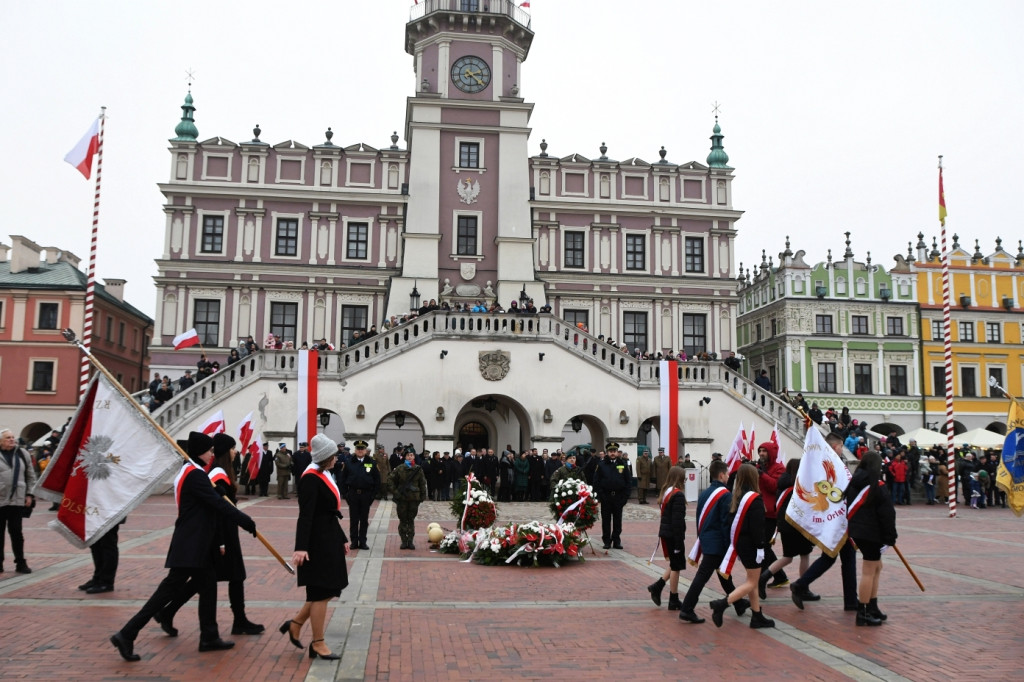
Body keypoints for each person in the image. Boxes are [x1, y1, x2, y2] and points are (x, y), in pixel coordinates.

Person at [110, 431, 257, 662]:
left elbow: (207, 499)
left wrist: (216, 492)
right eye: (209, 450)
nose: (212, 454)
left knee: (208, 588)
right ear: (200, 452)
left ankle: (209, 636)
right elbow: (218, 505)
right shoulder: (195, 475)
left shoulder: (192, 472)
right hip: (192, 545)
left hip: (198, 544)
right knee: (164, 593)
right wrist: (245, 521)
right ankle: (127, 633)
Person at [156, 434, 264, 637]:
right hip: (221, 533)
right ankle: (233, 622)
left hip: (227, 530)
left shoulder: (223, 472)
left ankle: (169, 612)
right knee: (217, 578)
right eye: (232, 448)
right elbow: (216, 507)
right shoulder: (217, 474)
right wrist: (221, 541)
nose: (235, 452)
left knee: (222, 577)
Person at [283, 433, 348, 660]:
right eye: (333, 455)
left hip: (328, 537)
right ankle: (318, 643)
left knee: (328, 589)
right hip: (316, 542)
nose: (337, 458)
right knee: (321, 592)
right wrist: (300, 547)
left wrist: (341, 538)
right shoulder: (311, 478)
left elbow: (328, 512)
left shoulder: (324, 473)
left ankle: (297, 623)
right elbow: (306, 516)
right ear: (325, 457)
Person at [788, 432, 859, 613]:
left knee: (830, 557)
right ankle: (850, 600)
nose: (842, 450)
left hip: (836, 519)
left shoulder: (827, 464)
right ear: (835, 447)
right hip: (836, 519)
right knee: (844, 559)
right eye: (841, 446)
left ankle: (802, 584)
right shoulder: (831, 465)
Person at [677, 460, 748, 624]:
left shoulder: (705, 493)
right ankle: (687, 609)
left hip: (707, 538)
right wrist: (729, 545)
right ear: (722, 475)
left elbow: (699, 518)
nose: (729, 476)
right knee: (702, 577)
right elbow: (725, 523)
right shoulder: (725, 495)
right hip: (717, 543)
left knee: (724, 575)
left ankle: (738, 603)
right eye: (728, 473)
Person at [709, 463, 774, 629]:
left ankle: (757, 615)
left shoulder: (736, 497)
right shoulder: (755, 499)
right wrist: (760, 547)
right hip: (752, 545)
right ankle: (722, 604)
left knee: (751, 579)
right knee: (752, 582)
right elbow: (758, 528)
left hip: (741, 543)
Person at [845, 451, 897, 626]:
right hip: (872, 533)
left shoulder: (854, 483)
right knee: (869, 571)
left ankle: (872, 605)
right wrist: (890, 537)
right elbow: (887, 514)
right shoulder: (877, 485)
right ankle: (863, 611)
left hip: (859, 532)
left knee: (876, 567)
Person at [757, 459, 816, 602]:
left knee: (787, 557)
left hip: (784, 526)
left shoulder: (782, 484)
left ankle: (764, 577)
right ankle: (803, 588)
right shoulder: (797, 487)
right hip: (798, 526)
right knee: (804, 555)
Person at [647, 467, 687, 610]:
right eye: (684, 478)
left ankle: (658, 587)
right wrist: (678, 542)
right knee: (677, 566)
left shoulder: (667, 492)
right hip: (673, 534)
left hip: (666, 532)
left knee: (675, 564)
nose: (686, 481)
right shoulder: (678, 495)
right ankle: (673, 598)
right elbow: (677, 521)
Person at [0, 428, 36, 574]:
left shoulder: (22, 453)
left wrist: (29, 494)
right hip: (0, 500)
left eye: (12, 437)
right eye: (8, 437)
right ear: (1, 441)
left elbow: (30, 476)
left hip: (17, 499)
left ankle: (20, 563)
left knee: (16, 533)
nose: (11, 439)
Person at [755, 441, 788, 588]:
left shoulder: (779, 468)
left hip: (772, 514)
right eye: (760, 451)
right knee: (764, 545)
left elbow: (775, 486)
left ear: (771, 453)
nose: (761, 453)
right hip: (760, 512)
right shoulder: (759, 467)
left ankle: (761, 578)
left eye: (764, 451)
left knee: (764, 546)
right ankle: (780, 576)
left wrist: (762, 474)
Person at [340, 440, 379, 551]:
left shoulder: (371, 462)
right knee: (354, 519)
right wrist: (346, 494)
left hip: (366, 495)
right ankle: (354, 542)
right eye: (358, 448)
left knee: (364, 519)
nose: (360, 451)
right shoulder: (349, 462)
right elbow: (342, 479)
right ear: (355, 450)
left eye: (362, 449)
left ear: (366, 450)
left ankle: (363, 542)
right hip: (353, 494)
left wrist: (372, 495)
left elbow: (377, 480)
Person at [593, 442, 631, 549]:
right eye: (610, 451)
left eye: (614, 451)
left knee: (617, 520)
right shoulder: (601, 464)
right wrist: (600, 496)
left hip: (619, 497)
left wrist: (625, 497)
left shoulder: (622, 463)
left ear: (617, 452)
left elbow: (628, 481)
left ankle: (616, 540)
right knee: (606, 520)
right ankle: (607, 541)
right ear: (607, 453)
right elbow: (596, 481)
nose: (612, 453)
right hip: (606, 496)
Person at [388, 449, 427, 549]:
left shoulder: (418, 469)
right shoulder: (400, 468)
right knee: (403, 520)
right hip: (402, 498)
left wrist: (423, 496)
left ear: (414, 457)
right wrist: (396, 492)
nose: (410, 457)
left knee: (411, 520)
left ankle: (410, 541)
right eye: (408, 455)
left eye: (412, 455)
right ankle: (404, 541)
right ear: (405, 457)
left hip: (414, 499)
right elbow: (390, 481)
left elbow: (422, 483)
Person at [79, 519, 124, 593]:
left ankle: (106, 582)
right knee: (95, 544)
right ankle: (98, 578)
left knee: (108, 544)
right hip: (97, 514)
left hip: (111, 513)